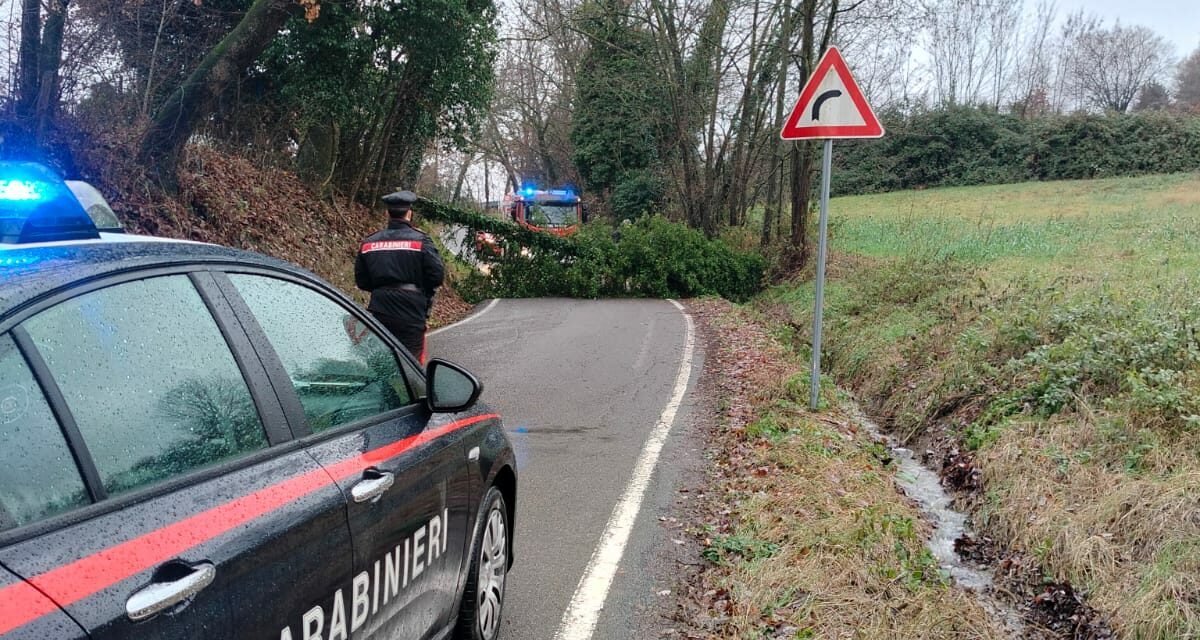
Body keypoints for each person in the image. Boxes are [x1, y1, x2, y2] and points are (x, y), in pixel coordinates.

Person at [355, 190, 445, 364]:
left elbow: (362, 281)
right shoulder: (421, 241)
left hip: (380, 310)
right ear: (409, 213)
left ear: (387, 213)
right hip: (411, 312)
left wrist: (383, 288)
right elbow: (436, 276)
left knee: (381, 360)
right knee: (411, 363)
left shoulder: (369, 242)